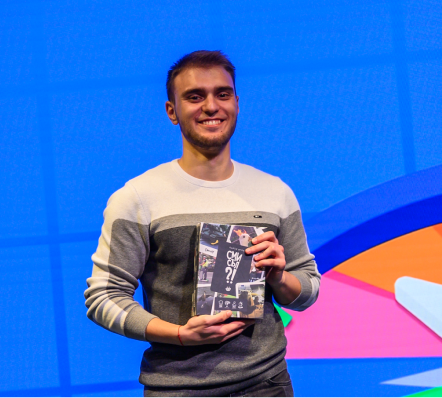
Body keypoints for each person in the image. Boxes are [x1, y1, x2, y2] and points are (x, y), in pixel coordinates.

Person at [84, 50, 321, 398]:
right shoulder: (137, 197)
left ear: (237, 103)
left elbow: (308, 289)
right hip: (176, 389)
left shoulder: (275, 192)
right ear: (172, 111)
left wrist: (278, 277)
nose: (211, 106)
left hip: (266, 385)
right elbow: (104, 297)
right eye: (195, 97)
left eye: (222, 94)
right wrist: (179, 334)